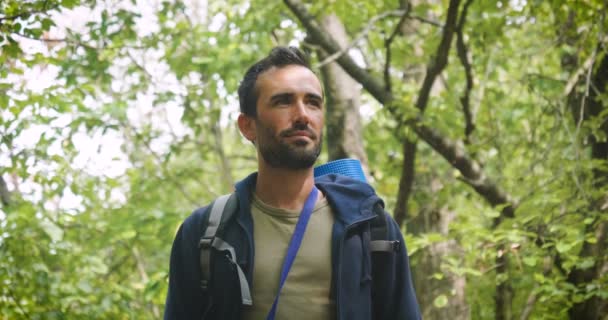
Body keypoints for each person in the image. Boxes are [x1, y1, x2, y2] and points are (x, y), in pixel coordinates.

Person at [164, 46, 421, 320]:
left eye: (313, 102)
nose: (302, 115)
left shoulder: (370, 226)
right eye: (283, 101)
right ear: (247, 126)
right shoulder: (207, 234)